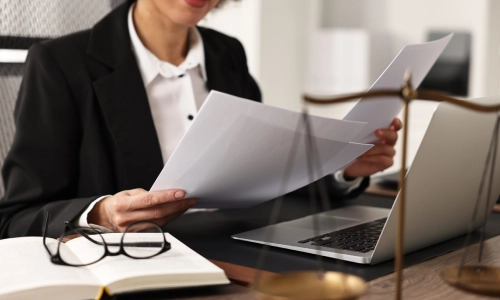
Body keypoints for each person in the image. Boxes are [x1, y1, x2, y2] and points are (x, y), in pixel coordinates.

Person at [0, 0, 401, 238]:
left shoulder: (228, 54)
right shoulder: (60, 64)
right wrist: (100, 214)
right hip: (138, 272)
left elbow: (264, 179)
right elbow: (15, 219)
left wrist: (342, 168)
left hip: (238, 254)